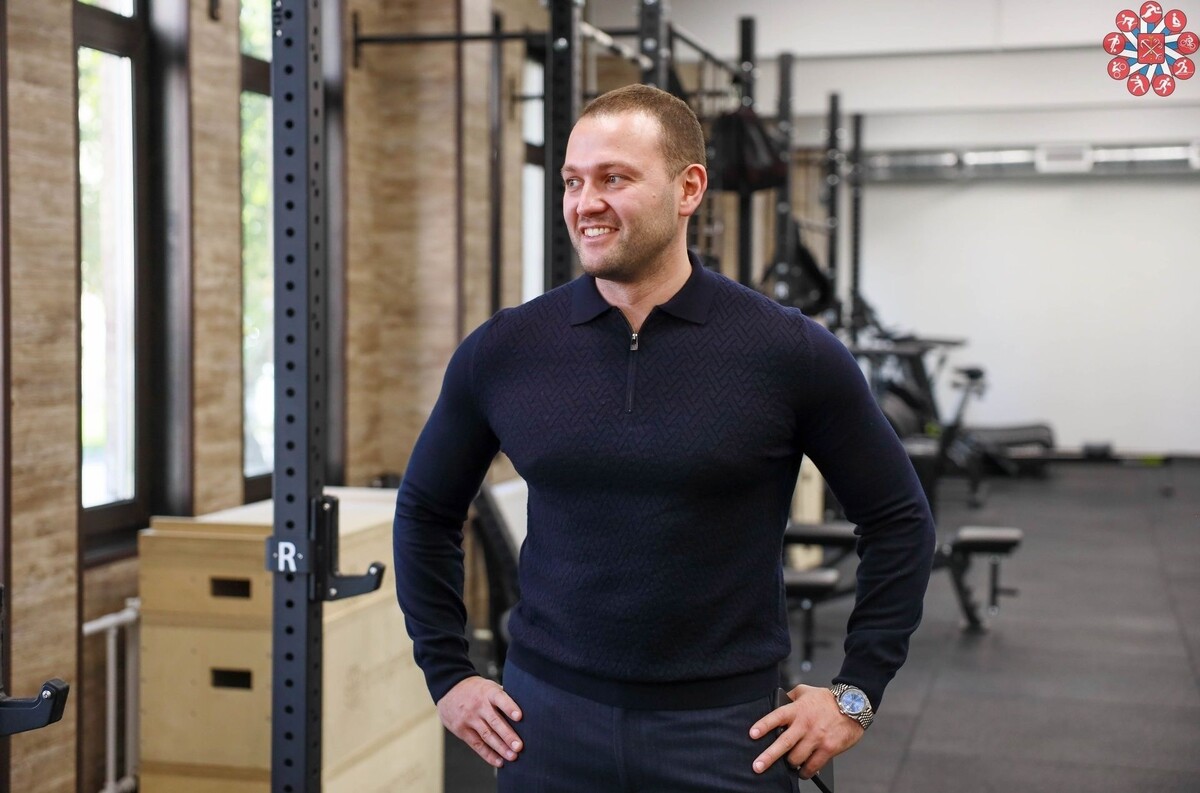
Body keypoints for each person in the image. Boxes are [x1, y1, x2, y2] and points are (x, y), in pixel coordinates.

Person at [394, 83, 935, 792]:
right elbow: (425, 510)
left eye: (614, 178)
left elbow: (899, 520)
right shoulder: (505, 349)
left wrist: (856, 692)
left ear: (689, 189)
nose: (585, 202)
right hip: (545, 724)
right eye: (573, 181)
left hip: (725, 733)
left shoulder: (788, 351)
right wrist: (447, 672)